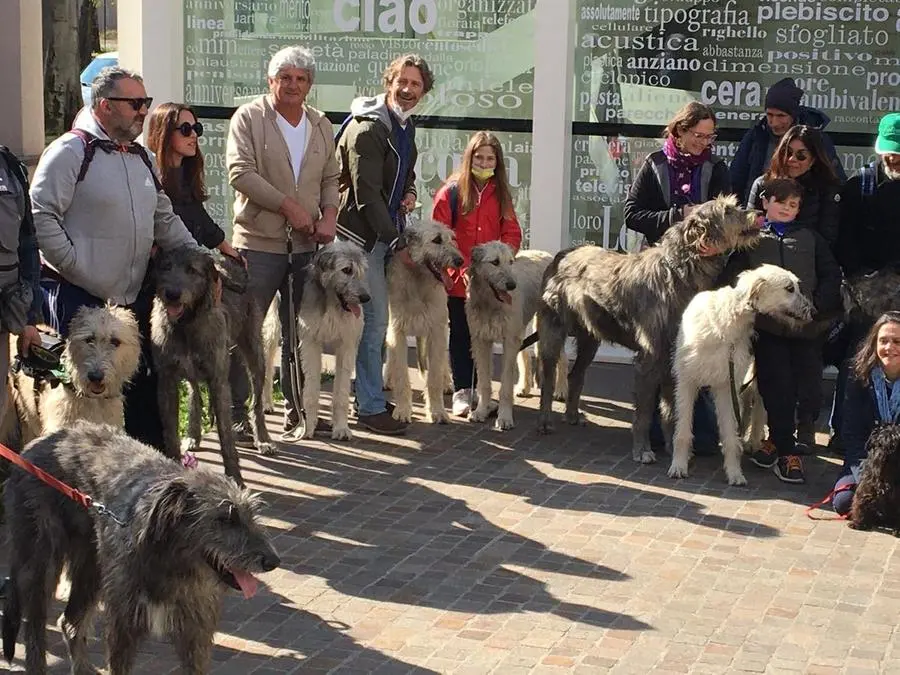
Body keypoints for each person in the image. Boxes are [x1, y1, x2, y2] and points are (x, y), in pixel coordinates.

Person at [29, 67, 201, 451]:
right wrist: (76, 266)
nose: (144, 112)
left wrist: (201, 259)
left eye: (146, 102)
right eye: (135, 103)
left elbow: (164, 218)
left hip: (129, 302)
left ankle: (148, 490)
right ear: (105, 106)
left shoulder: (140, 156)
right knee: (77, 409)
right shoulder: (70, 151)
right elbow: (39, 215)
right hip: (76, 297)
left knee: (142, 400)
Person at [225, 46, 340, 440]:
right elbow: (240, 172)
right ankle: (236, 414)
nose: (292, 85)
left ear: (309, 85)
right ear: (270, 80)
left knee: (300, 332)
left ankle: (300, 409)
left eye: (300, 78)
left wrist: (328, 215)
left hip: (307, 247)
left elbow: (330, 177)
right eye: (284, 77)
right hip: (258, 244)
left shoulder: (320, 123)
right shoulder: (249, 118)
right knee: (246, 331)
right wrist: (287, 205)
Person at [335, 53, 435, 435]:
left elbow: (403, 175)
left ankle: (368, 394)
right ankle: (371, 406)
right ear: (388, 82)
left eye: (416, 85)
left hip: (381, 237)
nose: (408, 90)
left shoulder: (403, 126)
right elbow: (366, 197)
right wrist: (397, 242)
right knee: (374, 322)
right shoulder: (369, 128)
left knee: (372, 324)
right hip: (361, 240)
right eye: (402, 82)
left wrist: (408, 192)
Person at [624, 101, 730, 454]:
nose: (705, 142)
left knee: (691, 346)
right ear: (679, 132)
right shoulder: (655, 164)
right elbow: (633, 214)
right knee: (655, 349)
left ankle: (692, 422)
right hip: (659, 274)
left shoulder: (717, 168)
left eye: (709, 136)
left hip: (702, 277)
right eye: (698, 135)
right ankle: (653, 423)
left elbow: (729, 223)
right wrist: (677, 215)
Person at [727, 177, 843, 483]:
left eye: (793, 205)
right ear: (766, 202)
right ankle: (787, 453)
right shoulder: (753, 239)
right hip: (768, 331)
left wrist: (818, 304)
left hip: (807, 329)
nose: (787, 209)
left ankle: (776, 442)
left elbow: (831, 273)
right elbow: (734, 278)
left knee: (808, 389)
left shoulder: (810, 237)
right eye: (781, 203)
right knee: (775, 388)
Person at [431, 131, 522, 417]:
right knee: (460, 332)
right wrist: (453, 270)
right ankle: (462, 390)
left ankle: (484, 392)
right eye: (479, 157)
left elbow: (512, 232)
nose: (484, 162)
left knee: (486, 335)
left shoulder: (502, 194)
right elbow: (440, 236)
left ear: (498, 162)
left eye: (490, 158)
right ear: (469, 158)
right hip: (460, 280)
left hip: (492, 282)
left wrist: (503, 260)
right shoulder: (452, 192)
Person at [830, 113, 900, 452]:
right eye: (890, 152)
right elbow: (843, 238)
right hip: (863, 291)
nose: (894, 158)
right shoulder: (859, 185)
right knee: (856, 359)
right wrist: (861, 277)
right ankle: (844, 432)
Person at [145, 102, 244, 261]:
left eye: (196, 129)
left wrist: (227, 248)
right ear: (165, 133)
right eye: (185, 129)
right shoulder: (149, 177)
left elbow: (199, 217)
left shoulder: (187, 173)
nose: (193, 135)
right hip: (164, 272)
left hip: (189, 263)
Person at [730, 77, 846, 204]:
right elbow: (736, 180)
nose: (774, 122)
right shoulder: (756, 137)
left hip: (808, 215)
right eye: (769, 115)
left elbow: (835, 182)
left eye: (781, 116)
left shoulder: (817, 140)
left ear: (793, 115)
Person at [830, 312, 900, 515]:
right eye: (883, 341)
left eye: (897, 341)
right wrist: (869, 477)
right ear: (874, 343)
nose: (889, 348)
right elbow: (851, 435)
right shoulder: (857, 376)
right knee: (844, 503)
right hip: (866, 463)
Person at [746, 125, 843, 248]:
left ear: (813, 159)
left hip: (808, 259)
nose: (792, 159)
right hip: (766, 256)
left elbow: (827, 240)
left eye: (801, 155)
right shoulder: (763, 184)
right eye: (788, 152)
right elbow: (749, 231)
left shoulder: (828, 188)